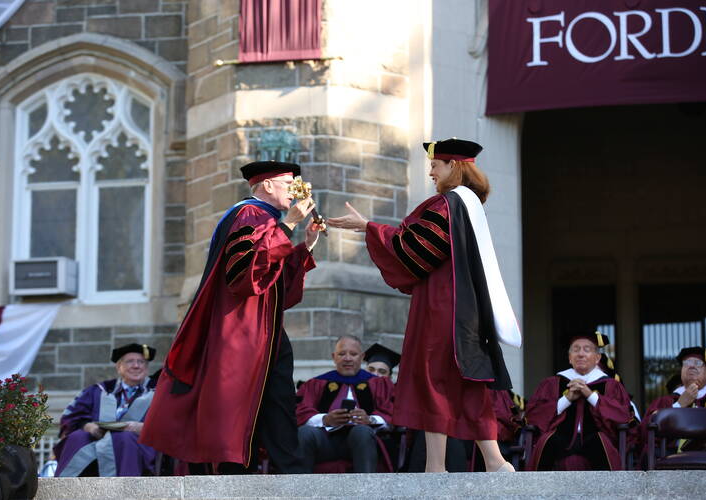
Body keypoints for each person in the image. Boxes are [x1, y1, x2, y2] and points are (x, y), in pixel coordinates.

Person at [328, 138, 521, 472]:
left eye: (436, 164)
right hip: (465, 310)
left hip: (442, 307)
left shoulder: (447, 204)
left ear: (454, 166)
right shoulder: (470, 204)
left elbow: (416, 249)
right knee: (464, 384)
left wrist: (369, 227)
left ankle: (437, 467)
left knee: (434, 379)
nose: (430, 171)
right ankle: (494, 461)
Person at [139, 161, 321, 474]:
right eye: (288, 184)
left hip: (266, 328)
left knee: (277, 404)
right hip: (241, 329)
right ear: (266, 186)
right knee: (237, 408)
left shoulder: (268, 219)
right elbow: (244, 275)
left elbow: (276, 286)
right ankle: (238, 476)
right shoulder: (248, 214)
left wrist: (304, 247)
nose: (294, 192)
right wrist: (288, 227)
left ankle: (291, 476)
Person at [524, 332, 631, 471]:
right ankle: (537, 492)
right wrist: (567, 399)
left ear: (597, 358)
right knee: (546, 441)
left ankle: (610, 493)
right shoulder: (552, 383)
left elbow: (622, 415)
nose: (580, 354)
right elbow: (533, 414)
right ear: (570, 358)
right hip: (559, 438)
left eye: (587, 350)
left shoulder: (611, 385)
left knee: (601, 443)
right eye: (576, 350)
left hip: (595, 438)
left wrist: (590, 395)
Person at [54, 343, 157, 477]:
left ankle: (126, 491)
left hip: (138, 443)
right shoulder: (98, 391)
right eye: (130, 361)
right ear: (119, 367)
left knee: (124, 438)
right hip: (97, 438)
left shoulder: (159, 391)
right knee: (78, 437)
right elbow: (71, 416)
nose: (136, 366)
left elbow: (172, 422)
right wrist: (87, 426)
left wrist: (145, 428)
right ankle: (66, 489)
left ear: (146, 367)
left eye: (141, 362)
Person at [296, 335, 395, 472]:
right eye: (342, 354)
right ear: (333, 357)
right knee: (305, 433)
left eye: (353, 354)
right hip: (324, 442)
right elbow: (301, 411)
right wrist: (325, 419)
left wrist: (369, 419)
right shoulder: (316, 384)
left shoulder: (379, 384)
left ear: (362, 357)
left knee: (361, 431)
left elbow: (391, 412)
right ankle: (299, 490)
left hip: (361, 442)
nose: (347, 358)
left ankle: (366, 490)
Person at [636, 347, 706, 463]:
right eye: (687, 363)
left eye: (698, 363)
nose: (691, 366)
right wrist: (679, 405)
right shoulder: (665, 402)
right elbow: (644, 434)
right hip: (670, 453)